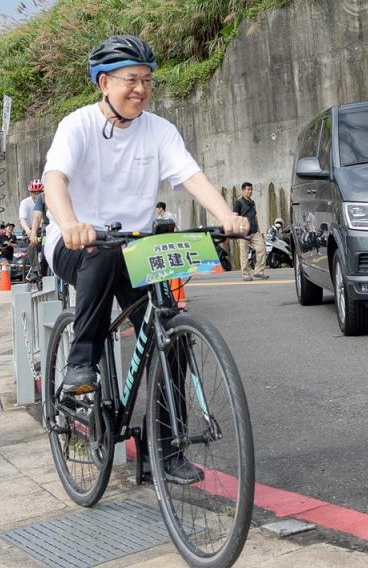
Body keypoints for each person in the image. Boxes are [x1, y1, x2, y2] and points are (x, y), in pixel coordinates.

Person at [42, 35, 249, 483]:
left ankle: (167, 451)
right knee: (98, 255)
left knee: (170, 334)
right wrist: (72, 222)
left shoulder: (159, 130)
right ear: (103, 83)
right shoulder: (76, 126)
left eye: (147, 80)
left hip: (135, 246)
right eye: (130, 80)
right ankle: (80, 363)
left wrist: (227, 215)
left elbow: (191, 176)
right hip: (77, 243)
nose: (140, 89)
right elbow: (55, 179)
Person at [234, 182, 268, 281]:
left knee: (261, 249)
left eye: (251, 189)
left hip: (254, 231)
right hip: (243, 232)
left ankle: (259, 271)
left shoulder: (252, 202)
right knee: (244, 254)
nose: (250, 191)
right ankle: (245, 274)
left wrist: (259, 229)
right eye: (248, 189)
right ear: (243, 190)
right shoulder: (238, 202)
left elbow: (254, 216)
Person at [20, 178, 46, 281]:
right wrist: (29, 231)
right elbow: (22, 219)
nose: (36, 195)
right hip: (29, 229)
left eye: (39, 192)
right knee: (32, 244)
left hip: (43, 229)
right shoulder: (25, 203)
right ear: (30, 192)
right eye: (33, 193)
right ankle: (35, 270)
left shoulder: (46, 199)